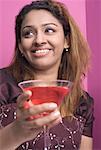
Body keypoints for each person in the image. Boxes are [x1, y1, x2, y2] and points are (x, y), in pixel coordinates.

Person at [0, 0, 94, 149]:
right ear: (20, 46)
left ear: (67, 41)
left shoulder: (82, 103)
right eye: (28, 33)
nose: (39, 40)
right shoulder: (2, 85)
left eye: (49, 30)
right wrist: (16, 132)